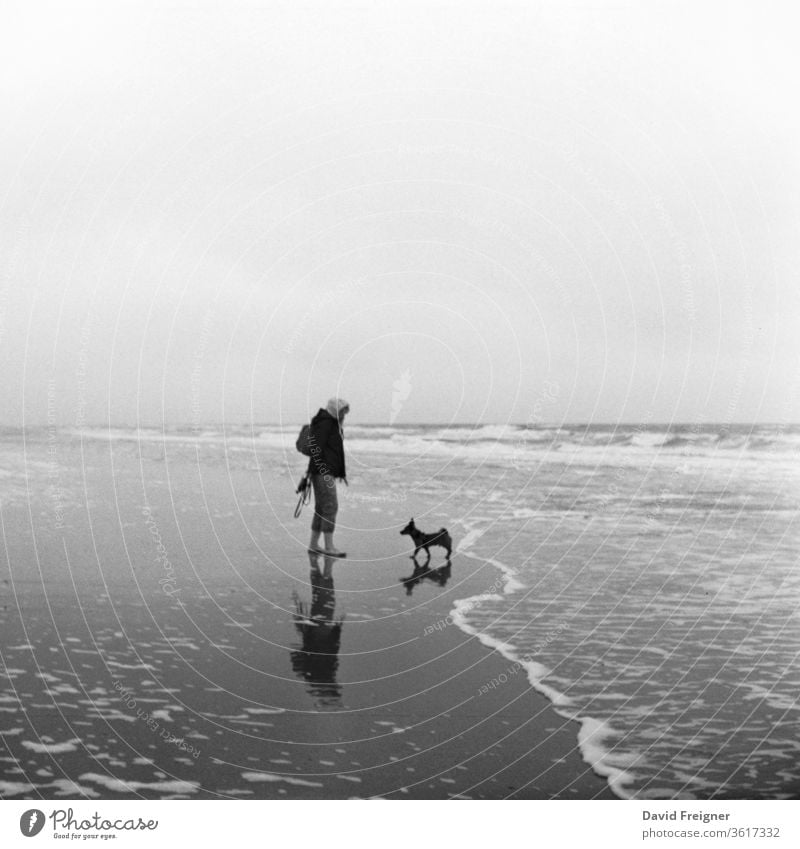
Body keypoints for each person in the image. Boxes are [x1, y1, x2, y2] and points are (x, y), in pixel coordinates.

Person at [307, 397, 349, 557]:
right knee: (330, 507)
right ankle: (329, 547)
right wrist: (322, 471)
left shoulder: (330, 423)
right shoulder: (326, 423)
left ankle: (313, 545)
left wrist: (341, 473)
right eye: (342, 410)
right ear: (334, 410)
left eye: (345, 410)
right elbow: (316, 448)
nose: (344, 413)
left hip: (322, 472)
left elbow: (334, 451)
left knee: (321, 509)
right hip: (323, 472)